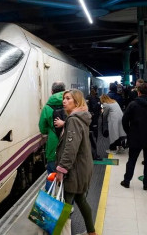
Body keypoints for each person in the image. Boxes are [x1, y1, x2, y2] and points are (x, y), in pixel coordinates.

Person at [55, 89, 97, 235]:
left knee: (64, 205)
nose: (64, 101)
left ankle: (60, 232)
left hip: (74, 170)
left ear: (77, 102)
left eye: (68, 99)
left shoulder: (73, 120)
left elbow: (70, 148)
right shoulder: (80, 118)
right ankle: (91, 232)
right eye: (64, 99)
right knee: (81, 200)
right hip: (82, 167)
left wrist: (61, 170)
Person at [120, 83, 147, 190]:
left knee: (132, 159)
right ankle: (146, 184)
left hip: (136, 136)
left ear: (138, 92)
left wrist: (129, 132)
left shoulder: (133, 104)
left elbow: (124, 120)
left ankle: (126, 181)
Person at [39, 81, 66, 174]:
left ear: (52, 91)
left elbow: (42, 128)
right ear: (64, 91)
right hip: (69, 143)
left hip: (53, 144)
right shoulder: (71, 103)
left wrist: (51, 130)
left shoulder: (47, 107)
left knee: (52, 173)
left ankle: (51, 188)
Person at [86, 85, 102, 160]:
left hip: (89, 121)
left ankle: (91, 154)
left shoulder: (87, 98)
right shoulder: (96, 99)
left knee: (90, 138)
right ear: (96, 90)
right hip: (94, 120)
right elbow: (97, 109)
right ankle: (94, 155)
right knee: (94, 137)